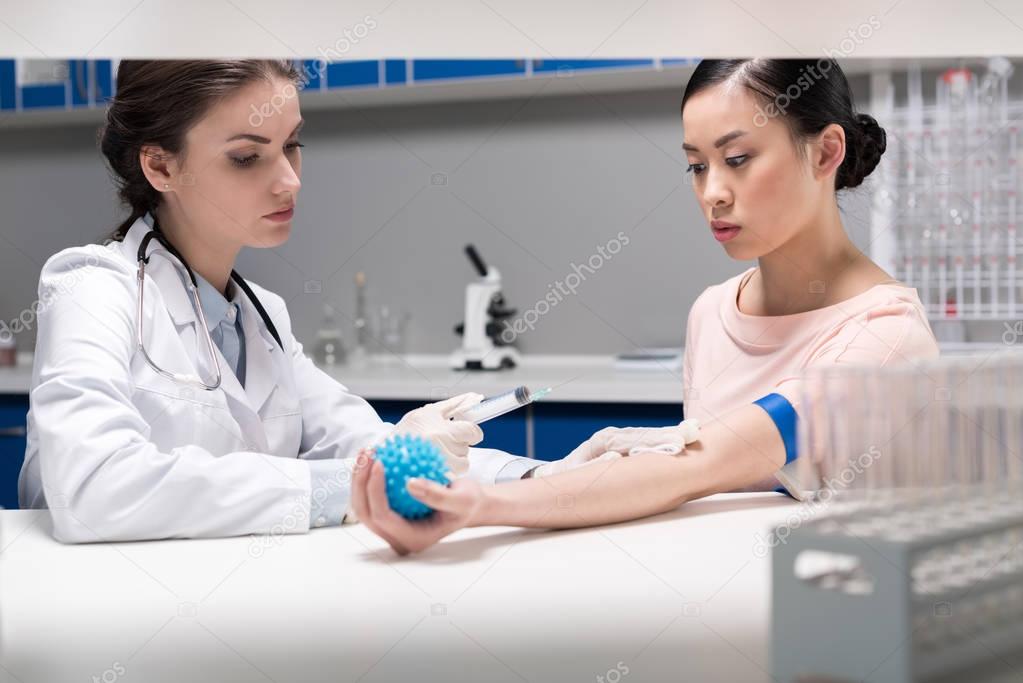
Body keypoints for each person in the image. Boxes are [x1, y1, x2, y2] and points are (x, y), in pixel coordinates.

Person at [350, 58, 941, 555]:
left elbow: (700, 467)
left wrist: (479, 506)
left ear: (825, 151)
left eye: (737, 159)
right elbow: (698, 490)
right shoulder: (712, 313)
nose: (712, 192)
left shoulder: (886, 335)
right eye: (696, 165)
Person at [17, 60, 563, 543]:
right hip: (106, 621)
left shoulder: (261, 316)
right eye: (246, 157)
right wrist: (359, 482)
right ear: (161, 167)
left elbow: (364, 441)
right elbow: (92, 488)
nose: (289, 180)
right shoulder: (91, 287)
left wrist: (543, 478)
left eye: (291, 145)